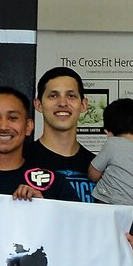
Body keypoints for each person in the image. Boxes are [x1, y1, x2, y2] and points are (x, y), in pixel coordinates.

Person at [89, 97, 133, 254]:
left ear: (109, 132)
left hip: (110, 210)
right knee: (127, 253)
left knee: (105, 253)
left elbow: (93, 174)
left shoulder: (113, 144)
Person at [25, 66, 97, 200]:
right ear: (38, 104)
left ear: (83, 104)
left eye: (71, 96)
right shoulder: (21, 160)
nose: (63, 103)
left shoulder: (97, 167)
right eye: (53, 96)